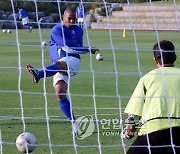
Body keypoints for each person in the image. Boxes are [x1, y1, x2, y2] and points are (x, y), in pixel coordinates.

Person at [26, 8, 98, 134]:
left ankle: (39, 74)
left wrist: (85, 49)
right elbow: (68, 47)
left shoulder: (79, 30)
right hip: (58, 65)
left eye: (74, 19)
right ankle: (74, 122)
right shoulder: (57, 29)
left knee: (59, 64)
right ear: (63, 17)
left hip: (72, 61)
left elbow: (76, 49)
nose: (71, 21)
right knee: (60, 93)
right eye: (69, 18)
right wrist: (88, 49)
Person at [121, 40, 180, 154]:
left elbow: (132, 117)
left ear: (155, 59)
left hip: (153, 133)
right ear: (175, 57)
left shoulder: (147, 78)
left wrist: (128, 132)